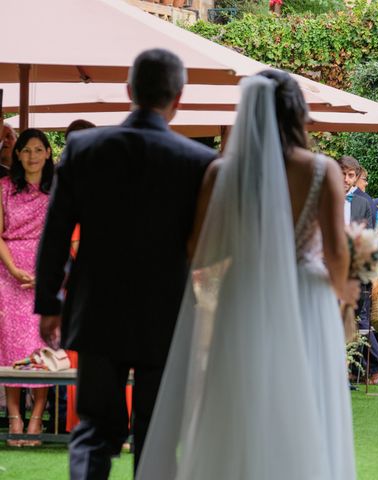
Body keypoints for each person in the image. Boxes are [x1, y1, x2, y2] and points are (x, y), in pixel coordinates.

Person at [137, 71, 358, 480]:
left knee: (241, 401)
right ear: (296, 113)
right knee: (306, 401)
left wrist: (208, 306)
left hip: (241, 298)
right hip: (306, 301)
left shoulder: (221, 173)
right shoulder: (320, 170)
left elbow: (198, 251)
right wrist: (341, 299)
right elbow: (336, 251)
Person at [35, 49, 217, 479]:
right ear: (180, 98)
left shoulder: (84, 147)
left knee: (95, 430)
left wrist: (49, 302)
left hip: (97, 308)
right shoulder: (199, 162)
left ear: (129, 90)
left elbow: (56, 233)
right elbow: (207, 245)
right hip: (168, 312)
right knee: (157, 436)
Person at [0, 128, 54, 447]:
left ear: (48, 153)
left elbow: (66, 235)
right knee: (11, 343)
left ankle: (37, 418)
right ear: (17, 154)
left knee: (41, 343)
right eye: (26, 150)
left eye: (38, 149)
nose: (32, 156)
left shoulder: (60, 189)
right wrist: (12, 268)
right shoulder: (4, 187)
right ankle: (15, 417)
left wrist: (46, 273)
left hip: (47, 268)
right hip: (10, 269)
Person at [338, 156, 378, 385]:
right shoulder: (323, 197)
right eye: (343, 174)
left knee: (352, 320)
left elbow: (370, 238)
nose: (347, 179)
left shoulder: (363, 203)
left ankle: (350, 372)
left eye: (351, 175)